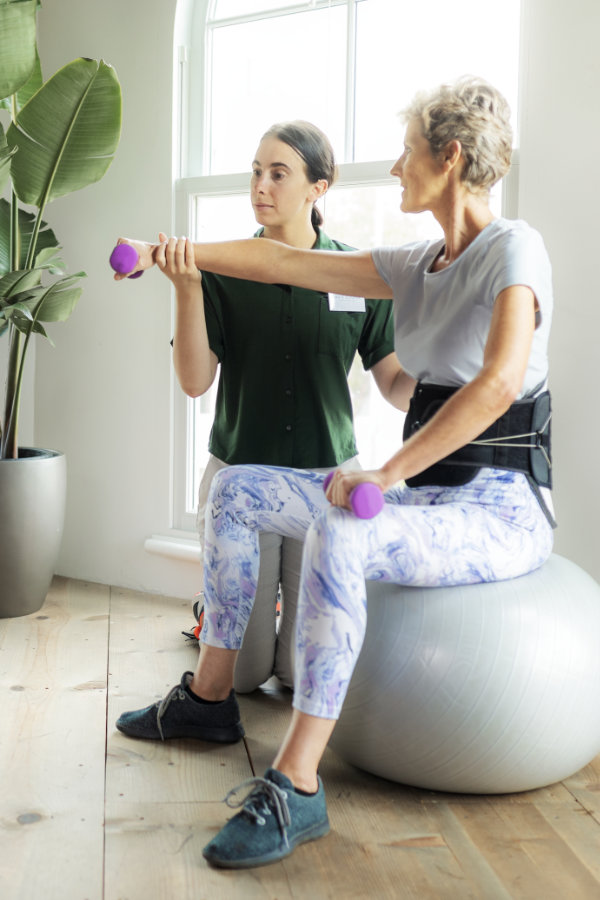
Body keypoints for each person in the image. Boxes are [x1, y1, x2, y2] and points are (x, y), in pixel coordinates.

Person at [115, 77, 554, 869]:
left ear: (450, 157)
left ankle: (297, 784)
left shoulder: (513, 247)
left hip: (500, 507)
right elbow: (281, 261)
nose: (393, 167)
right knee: (238, 486)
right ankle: (211, 699)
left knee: (346, 533)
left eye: (408, 151)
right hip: (425, 494)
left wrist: (382, 474)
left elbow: (496, 384)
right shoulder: (414, 263)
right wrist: (161, 254)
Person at [158, 120, 405, 692]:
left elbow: (392, 380)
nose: (260, 187)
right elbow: (195, 383)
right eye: (256, 173)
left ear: (319, 187)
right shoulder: (222, 268)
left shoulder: (355, 272)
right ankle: (215, 612)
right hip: (239, 481)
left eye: (278, 173)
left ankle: (263, 617)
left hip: (327, 483)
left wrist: (453, 393)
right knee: (243, 680)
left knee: (298, 675)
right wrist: (187, 287)